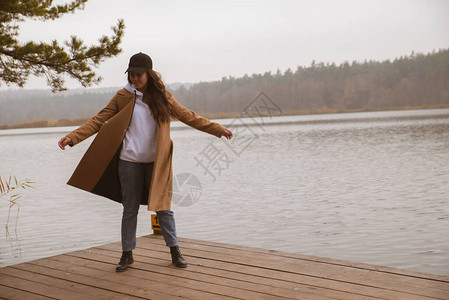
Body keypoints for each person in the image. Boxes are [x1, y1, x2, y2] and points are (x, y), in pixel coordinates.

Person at [58, 52, 233, 272]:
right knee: (129, 209)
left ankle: (175, 251)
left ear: (148, 74)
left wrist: (217, 129)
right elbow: (98, 120)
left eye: (139, 74)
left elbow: (188, 116)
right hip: (128, 161)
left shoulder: (162, 97)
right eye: (131, 74)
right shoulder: (122, 97)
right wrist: (73, 137)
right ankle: (127, 255)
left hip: (156, 162)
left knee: (164, 208)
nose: (135, 78)